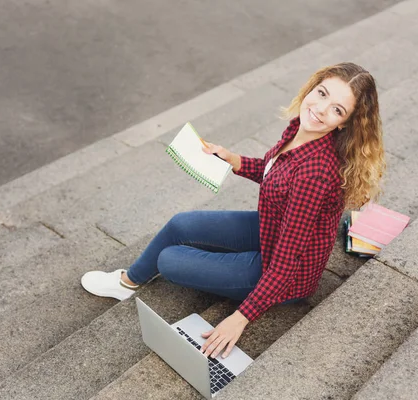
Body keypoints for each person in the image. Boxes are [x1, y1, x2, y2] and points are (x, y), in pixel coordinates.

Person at [81, 62, 385, 360]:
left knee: (168, 260)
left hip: (285, 273)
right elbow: (274, 175)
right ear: (312, 87)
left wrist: (240, 318)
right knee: (179, 225)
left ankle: (173, 273)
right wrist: (233, 159)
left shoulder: (315, 175)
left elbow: (285, 263)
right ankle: (127, 282)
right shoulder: (300, 129)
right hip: (271, 227)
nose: (320, 109)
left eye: (337, 109)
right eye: (322, 93)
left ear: (344, 123)